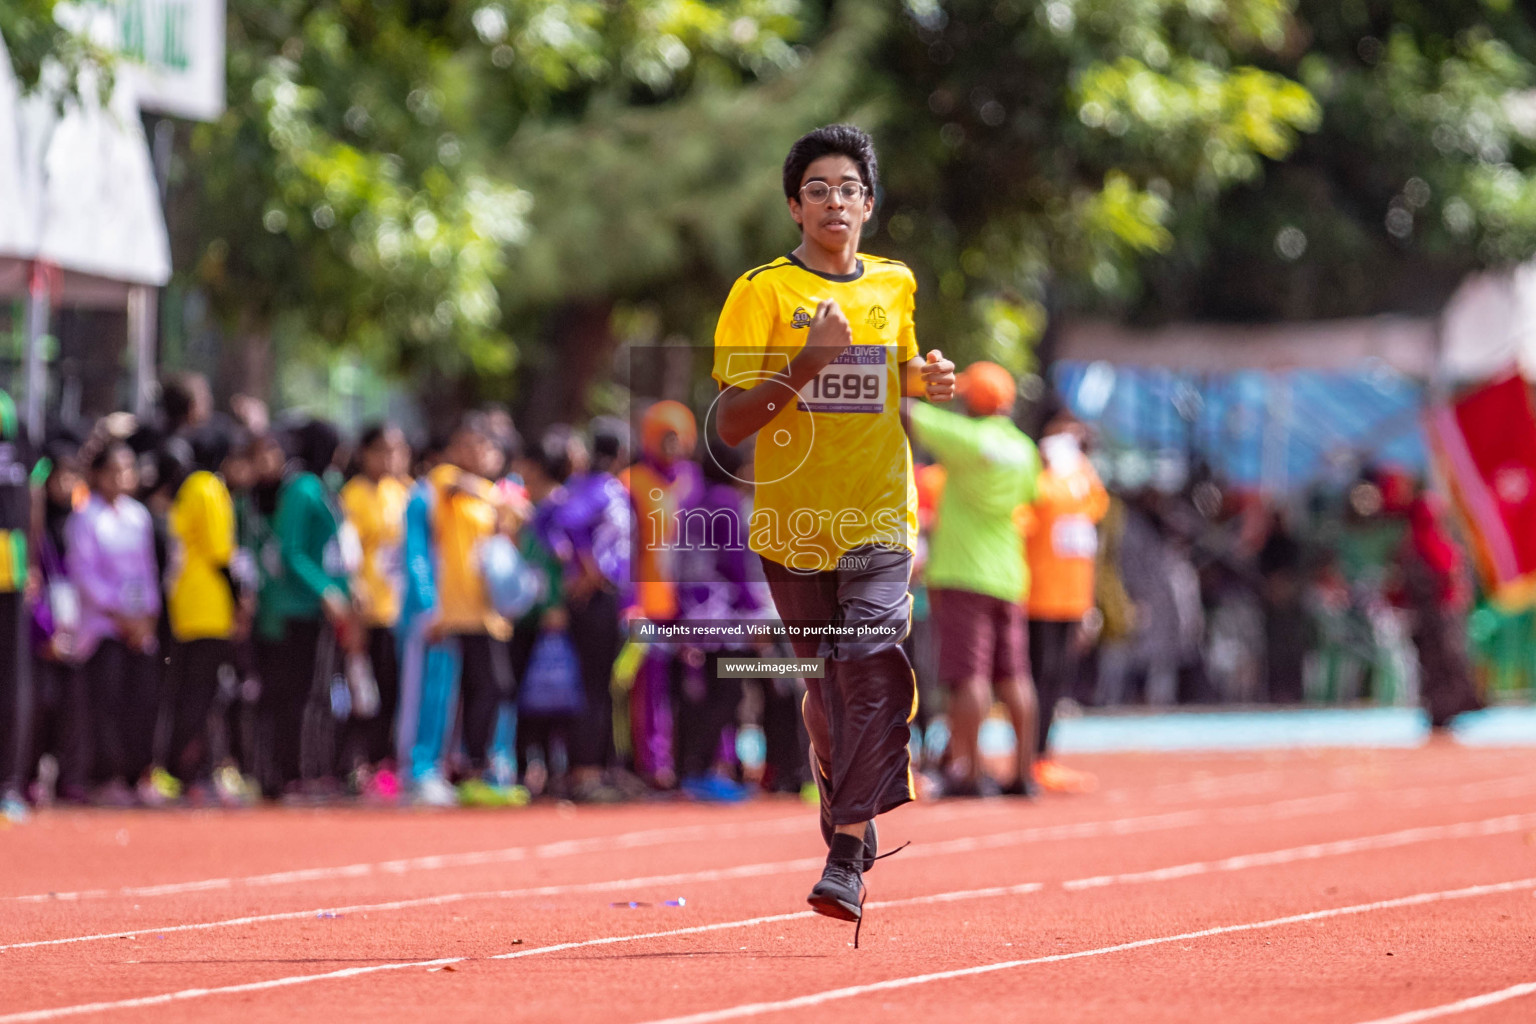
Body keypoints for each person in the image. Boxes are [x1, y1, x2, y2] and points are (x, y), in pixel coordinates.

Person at [712, 124, 956, 932]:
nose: (834, 201)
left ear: (870, 203)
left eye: (849, 188)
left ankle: (846, 858)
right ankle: (845, 794)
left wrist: (926, 377)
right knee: (826, 696)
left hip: (882, 514)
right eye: (818, 188)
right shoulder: (762, 292)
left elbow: (901, 373)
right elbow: (735, 421)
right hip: (793, 525)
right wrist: (807, 364)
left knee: (871, 670)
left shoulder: (894, 283)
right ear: (794, 205)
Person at [908, 361, 1041, 798]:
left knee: (969, 676)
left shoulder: (968, 440)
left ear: (971, 402)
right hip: (1009, 574)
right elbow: (1029, 499)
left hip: (965, 572)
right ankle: (1022, 772)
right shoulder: (1025, 450)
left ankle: (969, 771)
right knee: (1015, 677)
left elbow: (907, 412)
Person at [256, 419, 358, 800]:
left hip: (314, 608)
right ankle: (286, 773)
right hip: (293, 608)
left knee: (313, 692)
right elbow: (291, 551)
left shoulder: (324, 488)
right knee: (292, 693)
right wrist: (327, 591)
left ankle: (305, 768)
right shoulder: (302, 488)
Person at [66, 440, 162, 805]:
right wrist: (121, 616)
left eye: (128, 469)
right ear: (97, 475)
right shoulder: (85, 517)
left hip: (139, 630)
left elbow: (147, 570)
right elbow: (85, 576)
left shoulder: (138, 516)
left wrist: (147, 618)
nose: (123, 477)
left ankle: (137, 775)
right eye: (114, 470)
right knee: (105, 704)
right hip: (102, 630)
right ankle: (104, 777)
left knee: (141, 704)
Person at [621, 400, 703, 789]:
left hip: (692, 605)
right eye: (664, 436)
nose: (673, 444)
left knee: (697, 683)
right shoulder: (631, 481)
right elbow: (625, 547)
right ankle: (654, 765)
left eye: (678, 436)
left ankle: (700, 762)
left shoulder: (693, 481)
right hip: (648, 603)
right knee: (649, 688)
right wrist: (629, 601)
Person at [1024, 411, 1108, 794]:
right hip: (1038, 595)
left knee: (1056, 681)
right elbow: (1033, 510)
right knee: (1038, 678)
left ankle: (1042, 756)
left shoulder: (1081, 477)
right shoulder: (1037, 477)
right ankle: (1030, 759)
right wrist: (1046, 464)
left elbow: (1095, 508)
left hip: (1071, 598)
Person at [163, 425, 239, 799]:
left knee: (189, 689)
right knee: (202, 693)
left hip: (187, 600)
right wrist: (240, 597)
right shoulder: (208, 486)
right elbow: (219, 550)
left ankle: (187, 769)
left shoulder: (188, 486)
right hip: (208, 602)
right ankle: (193, 771)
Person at [338, 424, 410, 798]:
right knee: (364, 695)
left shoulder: (404, 494)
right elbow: (346, 559)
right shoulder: (353, 496)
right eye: (382, 450)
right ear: (364, 453)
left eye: (397, 451)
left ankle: (387, 763)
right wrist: (353, 611)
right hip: (367, 613)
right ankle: (356, 765)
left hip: (402, 613)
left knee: (396, 693)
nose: (391, 459)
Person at [0, 391, 33, 821]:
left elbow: (32, 489)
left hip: (11, 567)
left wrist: (36, 563)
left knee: (10, 682)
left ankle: (8, 781)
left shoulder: (11, 410)